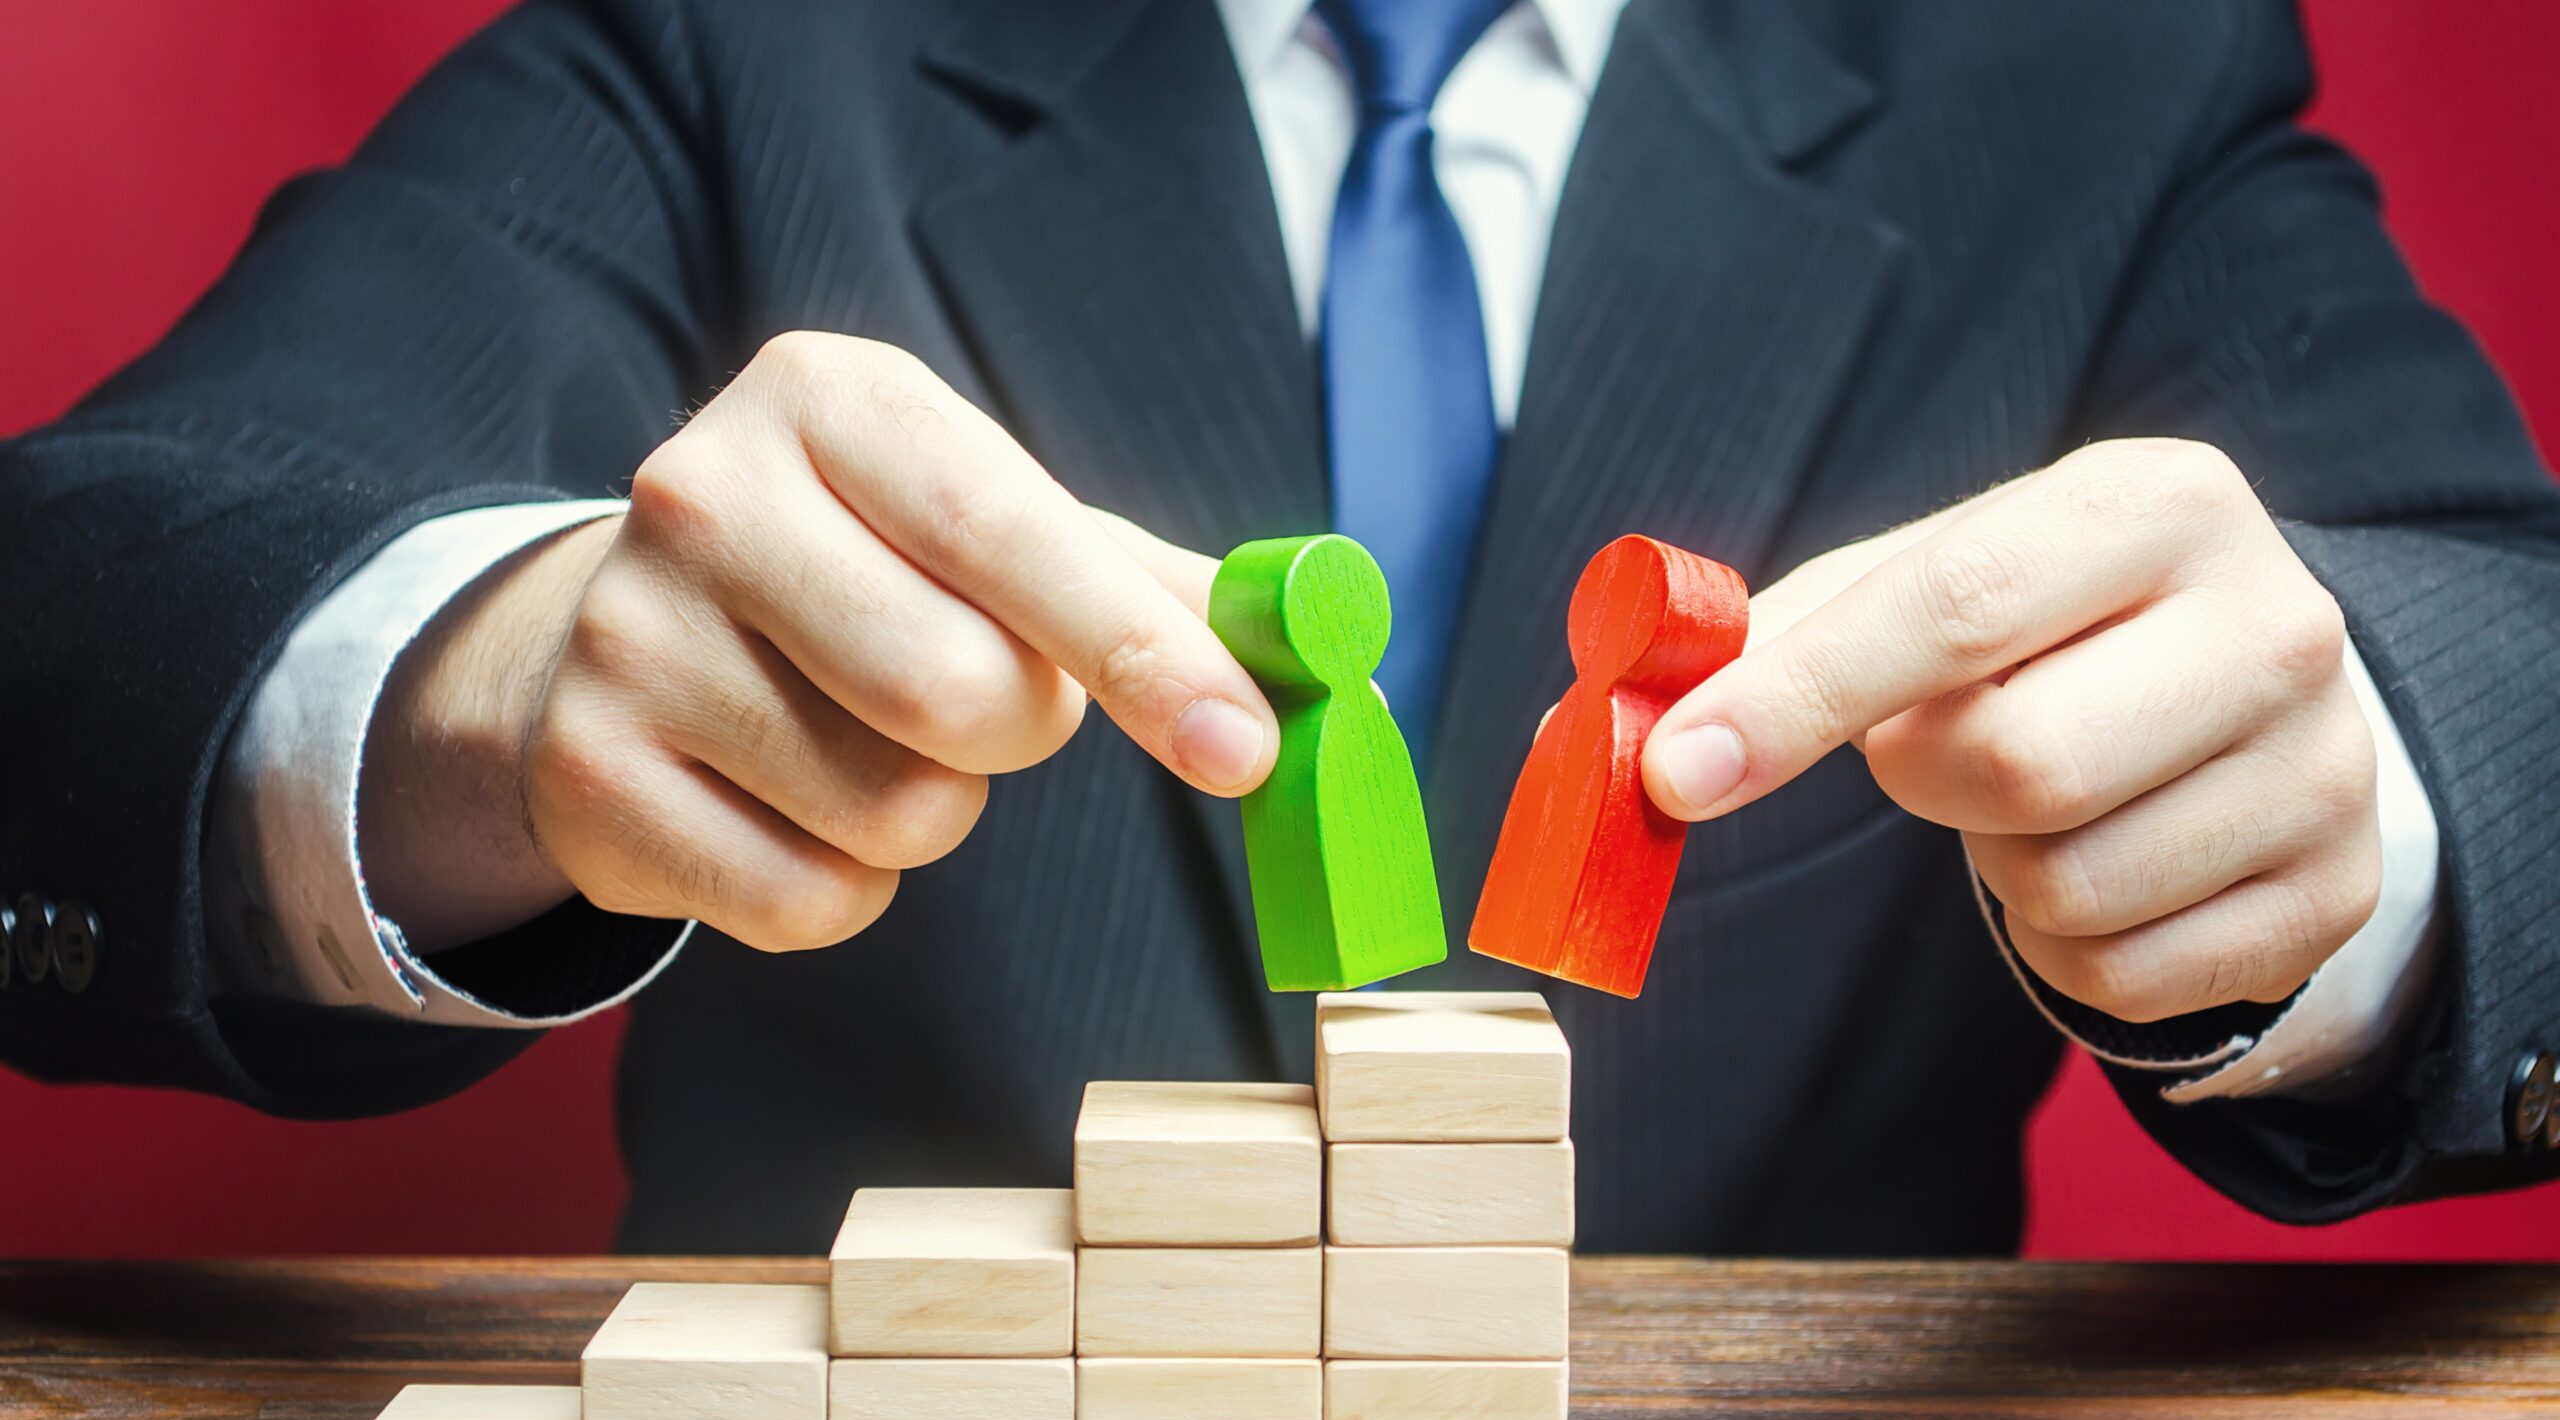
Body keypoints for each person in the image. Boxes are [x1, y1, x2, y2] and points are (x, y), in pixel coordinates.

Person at [2, 0, 2555, 1253]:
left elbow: (2507, 661)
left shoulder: (2086, 72)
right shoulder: (736, 34)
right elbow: (79, 588)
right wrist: (470, 682)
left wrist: (2370, 813)